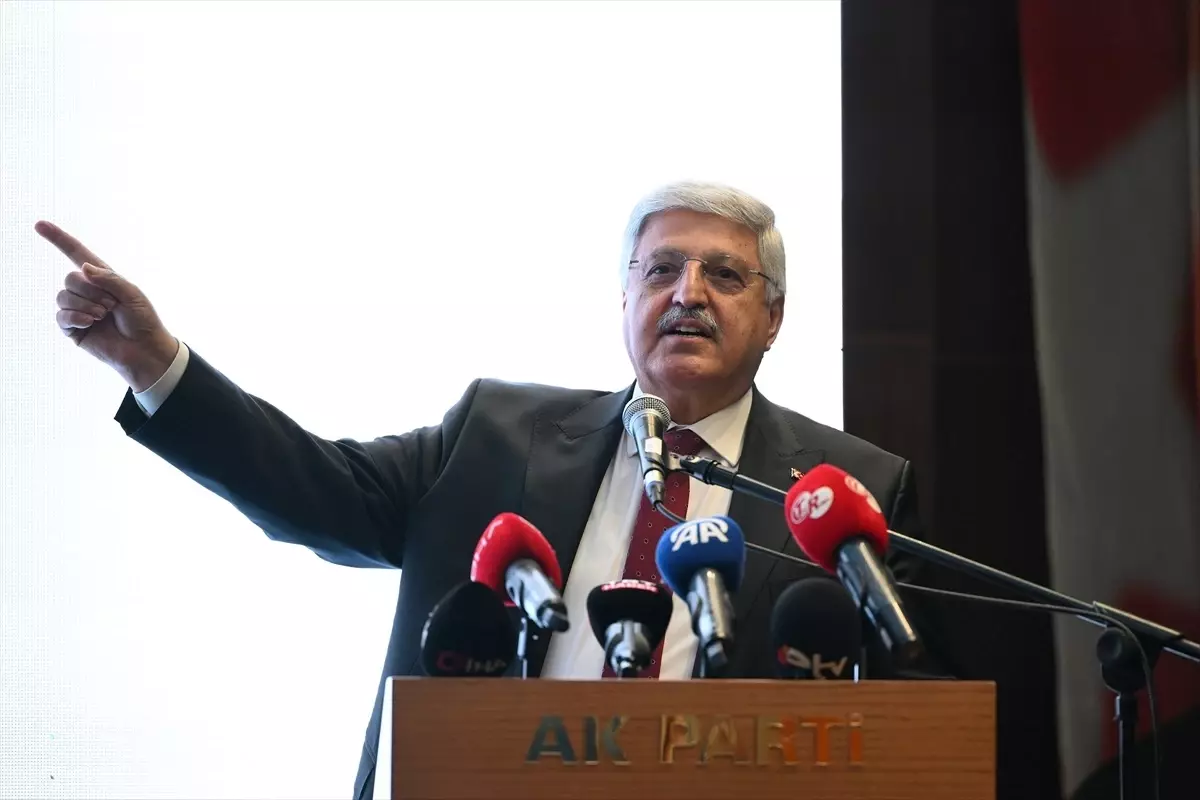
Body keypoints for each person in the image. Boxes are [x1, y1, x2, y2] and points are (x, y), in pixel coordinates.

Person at [41, 181, 945, 800]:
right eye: (662, 269)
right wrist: (156, 365)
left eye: (725, 274)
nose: (688, 294)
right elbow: (317, 490)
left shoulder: (846, 489)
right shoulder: (496, 433)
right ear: (624, 298)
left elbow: (916, 714)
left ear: (773, 317)